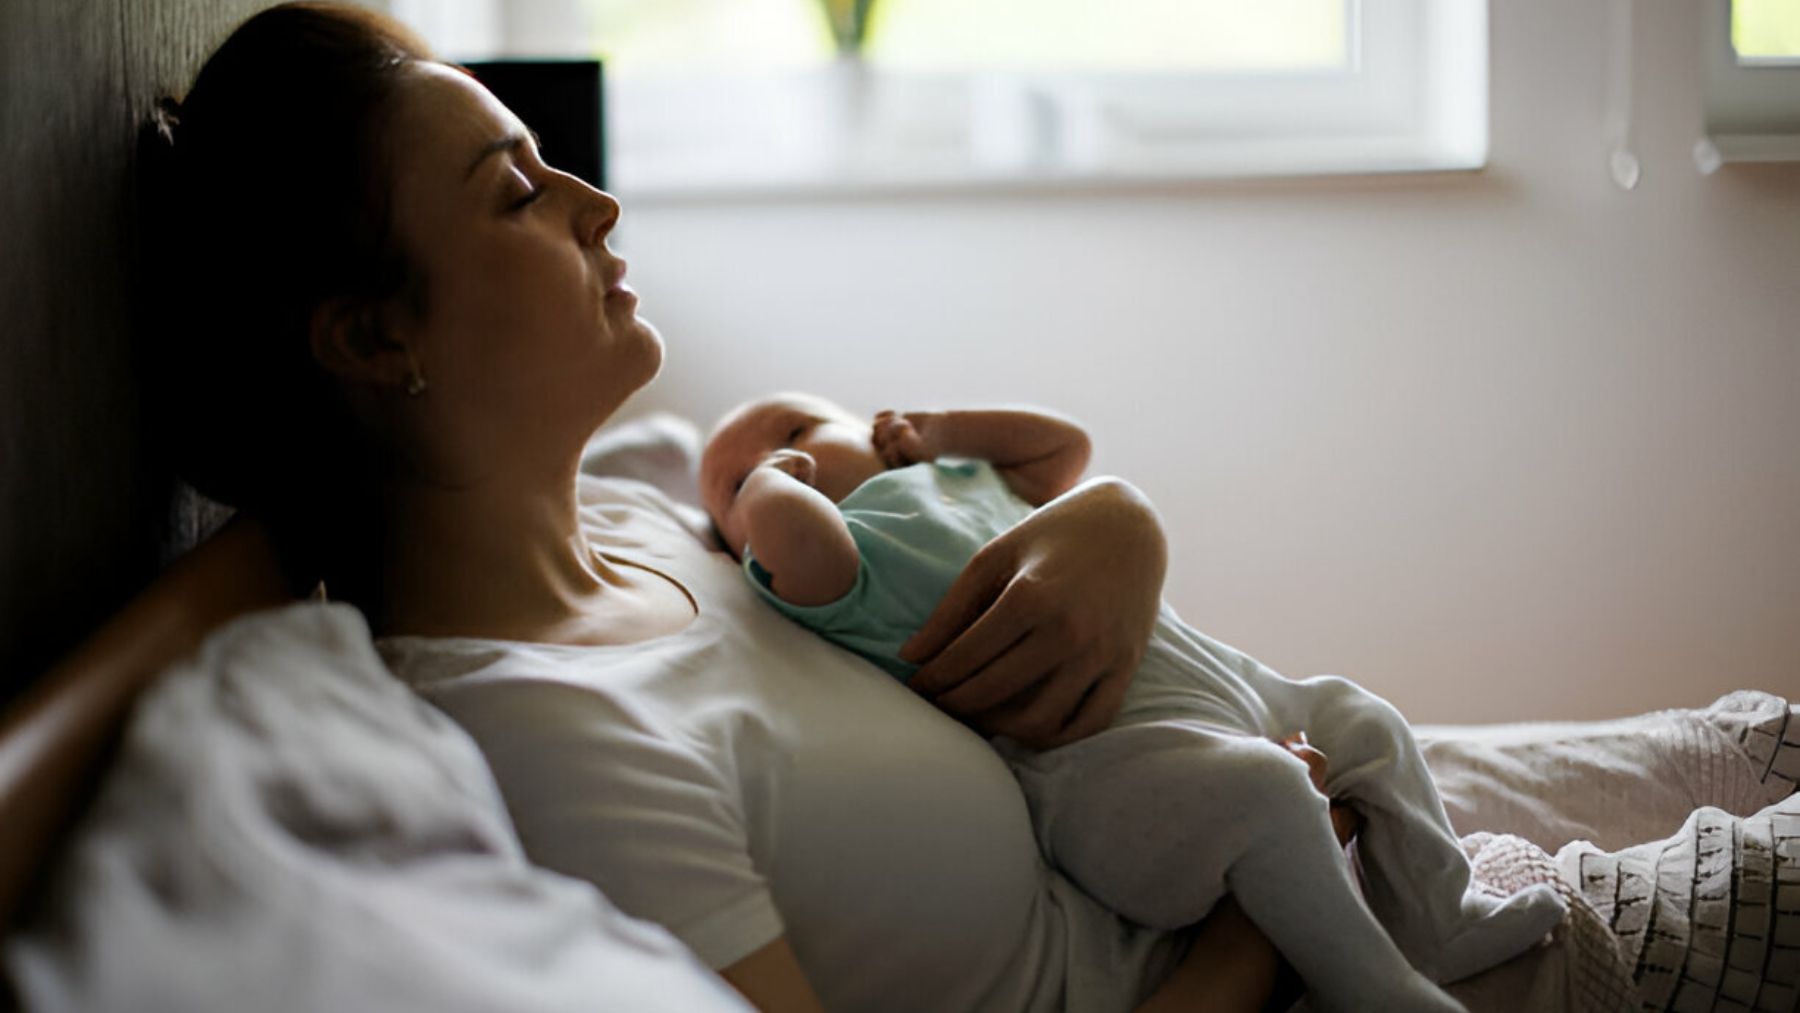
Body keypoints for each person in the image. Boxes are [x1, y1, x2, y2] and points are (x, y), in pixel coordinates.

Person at [148, 4, 1318, 1011]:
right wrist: (1268, 923)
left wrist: (1119, 521)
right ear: (373, 335)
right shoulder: (553, 738)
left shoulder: (644, 520)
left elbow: (925, 527)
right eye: (516, 193)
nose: (596, 202)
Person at [699, 394, 1568, 1012]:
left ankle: (1440, 914)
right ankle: (1373, 986)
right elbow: (794, 541)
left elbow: (1062, 450)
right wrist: (773, 482)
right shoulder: (841, 566)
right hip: (1104, 774)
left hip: (1225, 685)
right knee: (1266, 791)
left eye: (797, 426)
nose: (780, 462)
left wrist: (944, 430)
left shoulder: (955, 476)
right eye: (731, 491)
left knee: (1366, 717)